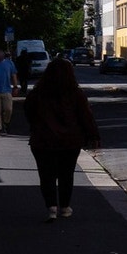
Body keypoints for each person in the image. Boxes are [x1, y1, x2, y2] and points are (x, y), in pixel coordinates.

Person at [23, 58, 100, 222]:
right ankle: (65, 207)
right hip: (70, 140)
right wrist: (93, 135)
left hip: (42, 140)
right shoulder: (76, 94)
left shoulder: (37, 94)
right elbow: (86, 116)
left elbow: (28, 112)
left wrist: (36, 126)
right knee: (67, 174)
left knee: (46, 175)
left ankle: (51, 207)